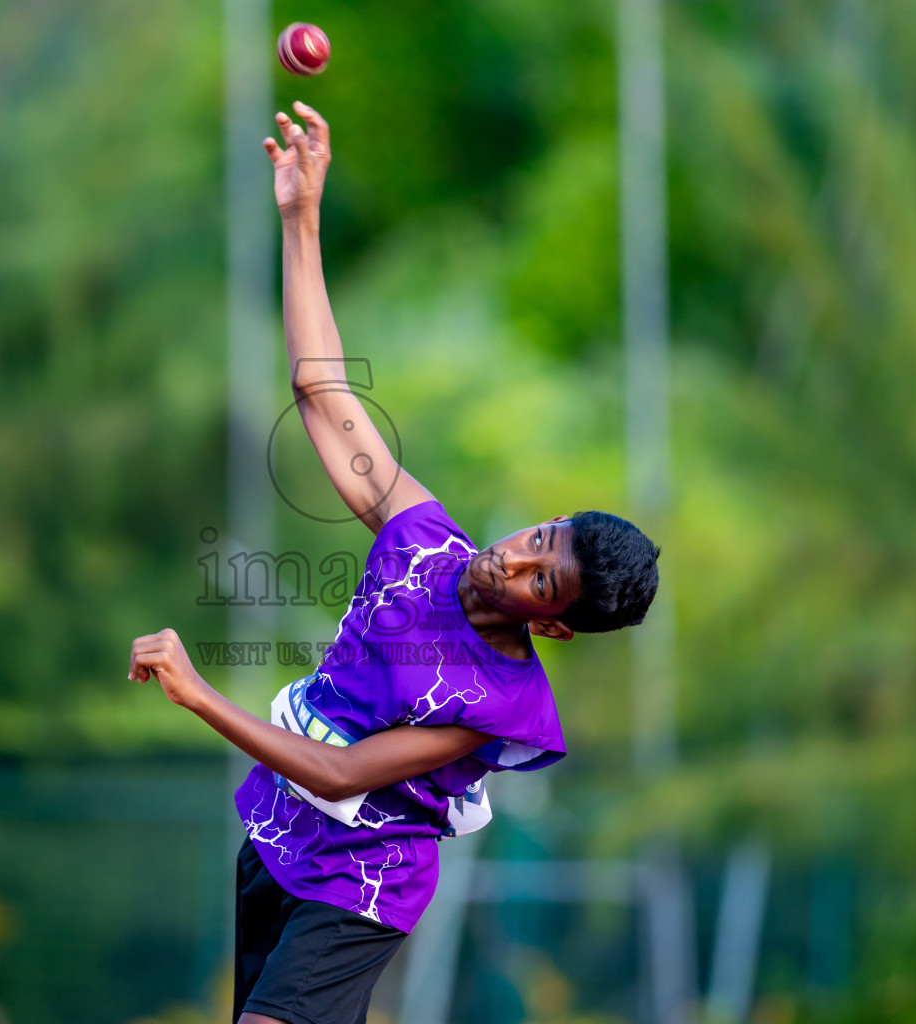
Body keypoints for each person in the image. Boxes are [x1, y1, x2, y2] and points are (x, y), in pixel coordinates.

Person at [128, 101, 660, 1024]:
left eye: (543, 578)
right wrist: (302, 219)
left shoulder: (503, 702)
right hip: (276, 835)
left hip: (361, 886)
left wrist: (198, 693)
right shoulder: (421, 533)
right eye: (539, 536)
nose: (518, 558)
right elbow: (320, 391)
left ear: (554, 621)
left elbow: (343, 775)